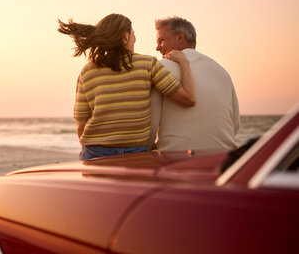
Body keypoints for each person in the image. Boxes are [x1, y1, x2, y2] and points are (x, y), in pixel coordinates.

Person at [58, 13, 196, 160]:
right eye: (133, 34)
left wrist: (92, 147)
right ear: (125, 37)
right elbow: (189, 99)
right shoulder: (148, 64)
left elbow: (81, 123)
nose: (135, 39)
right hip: (136, 154)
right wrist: (183, 61)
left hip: (95, 153)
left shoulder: (87, 72)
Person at [149, 17, 240, 151]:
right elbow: (235, 125)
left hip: (176, 159)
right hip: (224, 159)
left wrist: (144, 149)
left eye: (161, 41)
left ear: (180, 37)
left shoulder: (162, 68)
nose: (157, 48)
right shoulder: (222, 72)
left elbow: (151, 123)